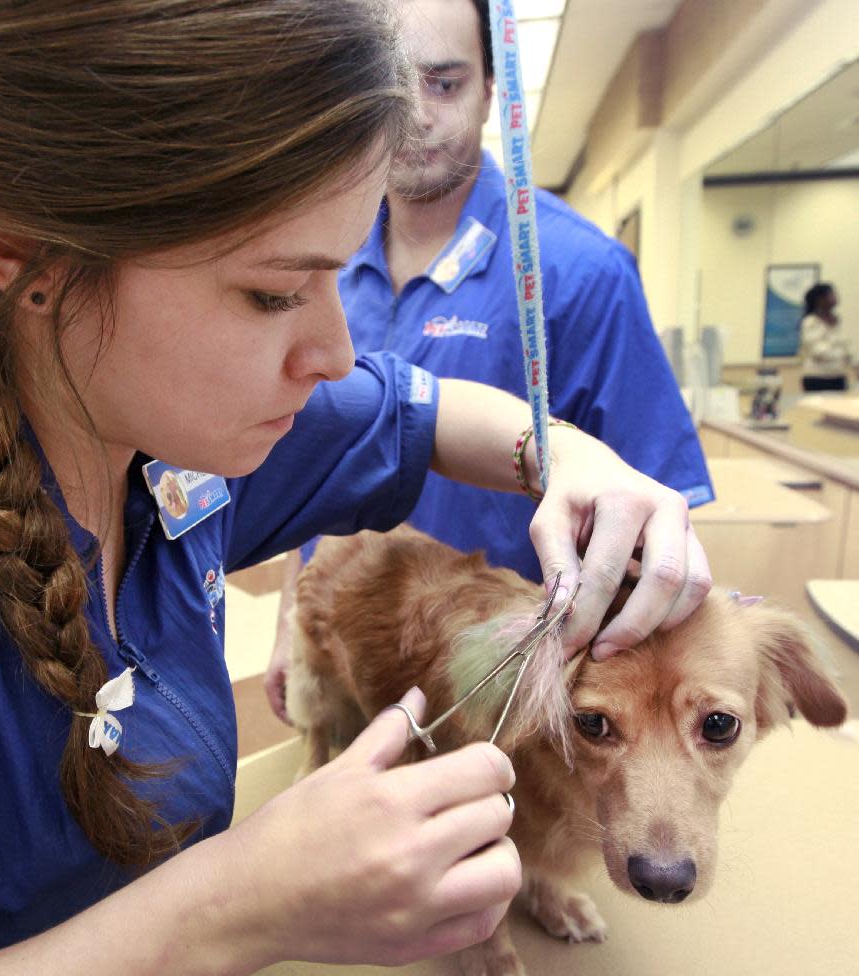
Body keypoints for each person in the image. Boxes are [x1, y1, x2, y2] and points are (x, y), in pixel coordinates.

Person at [0, 2, 711, 976]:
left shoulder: (169, 428)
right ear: (22, 249)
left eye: (341, 271)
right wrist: (241, 905)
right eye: (270, 293)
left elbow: (427, 410)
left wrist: (575, 458)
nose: (337, 349)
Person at [265, 0, 714, 722]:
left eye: (443, 83)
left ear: (489, 93)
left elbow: (658, 528)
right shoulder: (321, 265)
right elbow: (314, 456)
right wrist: (293, 618)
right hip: (349, 638)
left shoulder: (578, 273)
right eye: (388, 83)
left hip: (502, 687)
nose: (413, 114)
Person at [800, 282, 854, 380]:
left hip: (838, 375)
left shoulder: (837, 321)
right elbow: (818, 351)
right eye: (831, 295)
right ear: (820, 300)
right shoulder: (811, 322)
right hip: (817, 376)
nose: (835, 297)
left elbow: (846, 346)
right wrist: (842, 354)